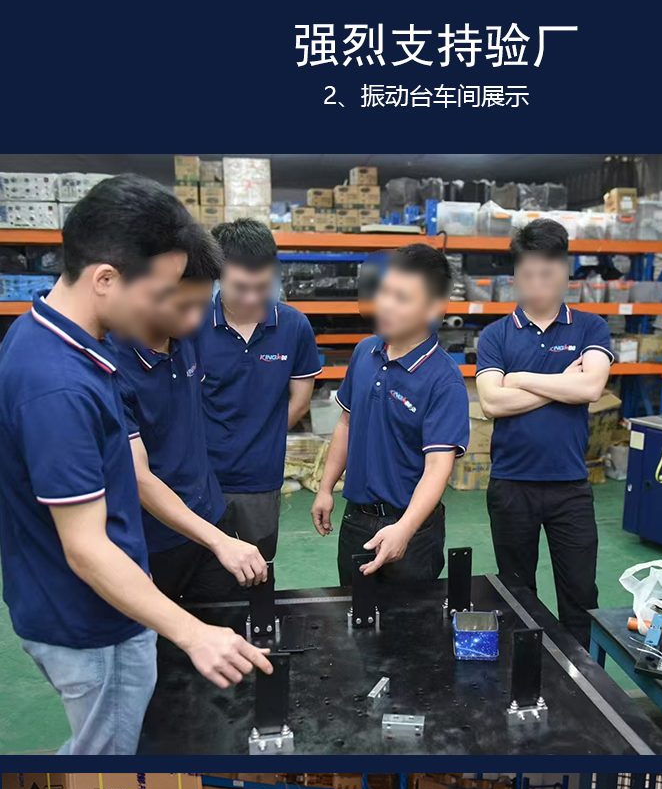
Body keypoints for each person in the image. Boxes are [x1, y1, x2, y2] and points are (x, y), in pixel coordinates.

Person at [0, 175, 271, 756]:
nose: (168, 311)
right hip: (90, 620)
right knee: (108, 763)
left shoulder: (67, 342)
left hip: (106, 603)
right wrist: (191, 631)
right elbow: (85, 548)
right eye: (162, 291)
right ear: (106, 279)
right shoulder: (57, 384)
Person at [109, 226, 266, 601]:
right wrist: (219, 541)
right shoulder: (110, 364)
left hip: (208, 515)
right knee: (162, 636)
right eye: (183, 306)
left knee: (229, 626)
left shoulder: (186, 333)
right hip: (148, 539)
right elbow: (138, 477)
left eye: (203, 304)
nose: (196, 320)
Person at [476, 218, 613, 647]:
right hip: (511, 484)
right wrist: (561, 384)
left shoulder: (590, 326)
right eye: (528, 273)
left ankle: (586, 680)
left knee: (581, 595)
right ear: (515, 276)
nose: (538, 283)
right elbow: (491, 403)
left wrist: (519, 379)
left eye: (548, 272)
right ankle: (528, 674)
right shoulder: (495, 335)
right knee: (517, 595)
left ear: (566, 271)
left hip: (570, 485)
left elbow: (590, 388)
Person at [311, 244, 469, 582]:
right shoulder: (364, 352)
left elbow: (438, 467)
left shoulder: (444, 380)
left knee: (410, 615)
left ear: (433, 308)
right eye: (384, 292)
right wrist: (325, 488)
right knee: (353, 609)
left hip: (411, 528)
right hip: (356, 520)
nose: (385, 304)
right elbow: (346, 423)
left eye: (402, 297)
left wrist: (405, 529)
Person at [198, 218, 322, 561]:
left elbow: (300, 400)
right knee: (204, 572)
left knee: (258, 571)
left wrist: (259, 440)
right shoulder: (192, 323)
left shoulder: (294, 326)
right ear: (217, 276)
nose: (253, 297)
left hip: (260, 481)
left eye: (262, 286)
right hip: (202, 479)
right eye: (240, 287)